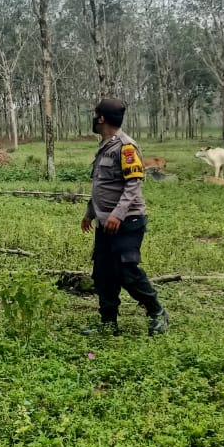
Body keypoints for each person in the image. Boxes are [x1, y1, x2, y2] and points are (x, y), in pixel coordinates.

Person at [80, 97, 169, 336]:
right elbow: (101, 186)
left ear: (101, 118)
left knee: (126, 270)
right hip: (105, 222)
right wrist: (90, 213)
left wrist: (118, 215)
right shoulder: (105, 146)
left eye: (95, 115)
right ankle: (108, 323)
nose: (94, 119)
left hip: (128, 221)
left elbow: (134, 183)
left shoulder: (125, 146)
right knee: (103, 273)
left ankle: (157, 311)